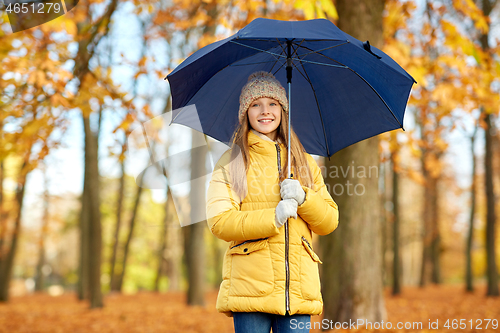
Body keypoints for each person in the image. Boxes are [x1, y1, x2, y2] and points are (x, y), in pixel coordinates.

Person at [206, 71, 339, 333]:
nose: (264, 111)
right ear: (246, 112)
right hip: (251, 287)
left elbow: (329, 222)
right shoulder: (232, 160)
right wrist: (273, 217)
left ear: (283, 109)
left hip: (298, 290)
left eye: (272, 103)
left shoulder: (304, 161)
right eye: (255, 104)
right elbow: (220, 221)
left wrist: (304, 198)